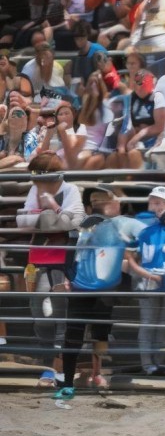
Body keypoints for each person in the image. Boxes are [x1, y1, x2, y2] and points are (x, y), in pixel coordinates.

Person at [55, 188, 146, 399]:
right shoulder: (82, 227)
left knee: (99, 334)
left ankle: (95, 374)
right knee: (74, 336)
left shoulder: (120, 224)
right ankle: (68, 381)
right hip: (82, 288)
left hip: (102, 289)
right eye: (97, 200)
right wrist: (70, 278)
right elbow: (70, 254)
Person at [16, 153, 85, 387]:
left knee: (60, 316)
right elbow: (22, 221)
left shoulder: (71, 189)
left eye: (39, 176)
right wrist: (48, 215)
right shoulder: (35, 190)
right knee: (40, 318)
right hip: (36, 260)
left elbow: (72, 222)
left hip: (62, 261)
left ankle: (60, 370)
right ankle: (46, 369)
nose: (35, 182)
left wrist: (52, 208)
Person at [126, 186, 165, 375]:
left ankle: (158, 362)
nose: (157, 206)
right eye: (154, 202)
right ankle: (147, 364)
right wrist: (146, 275)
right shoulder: (140, 224)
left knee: (164, 322)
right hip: (147, 281)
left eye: (161, 202)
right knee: (148, 321)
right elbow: (129, 256)